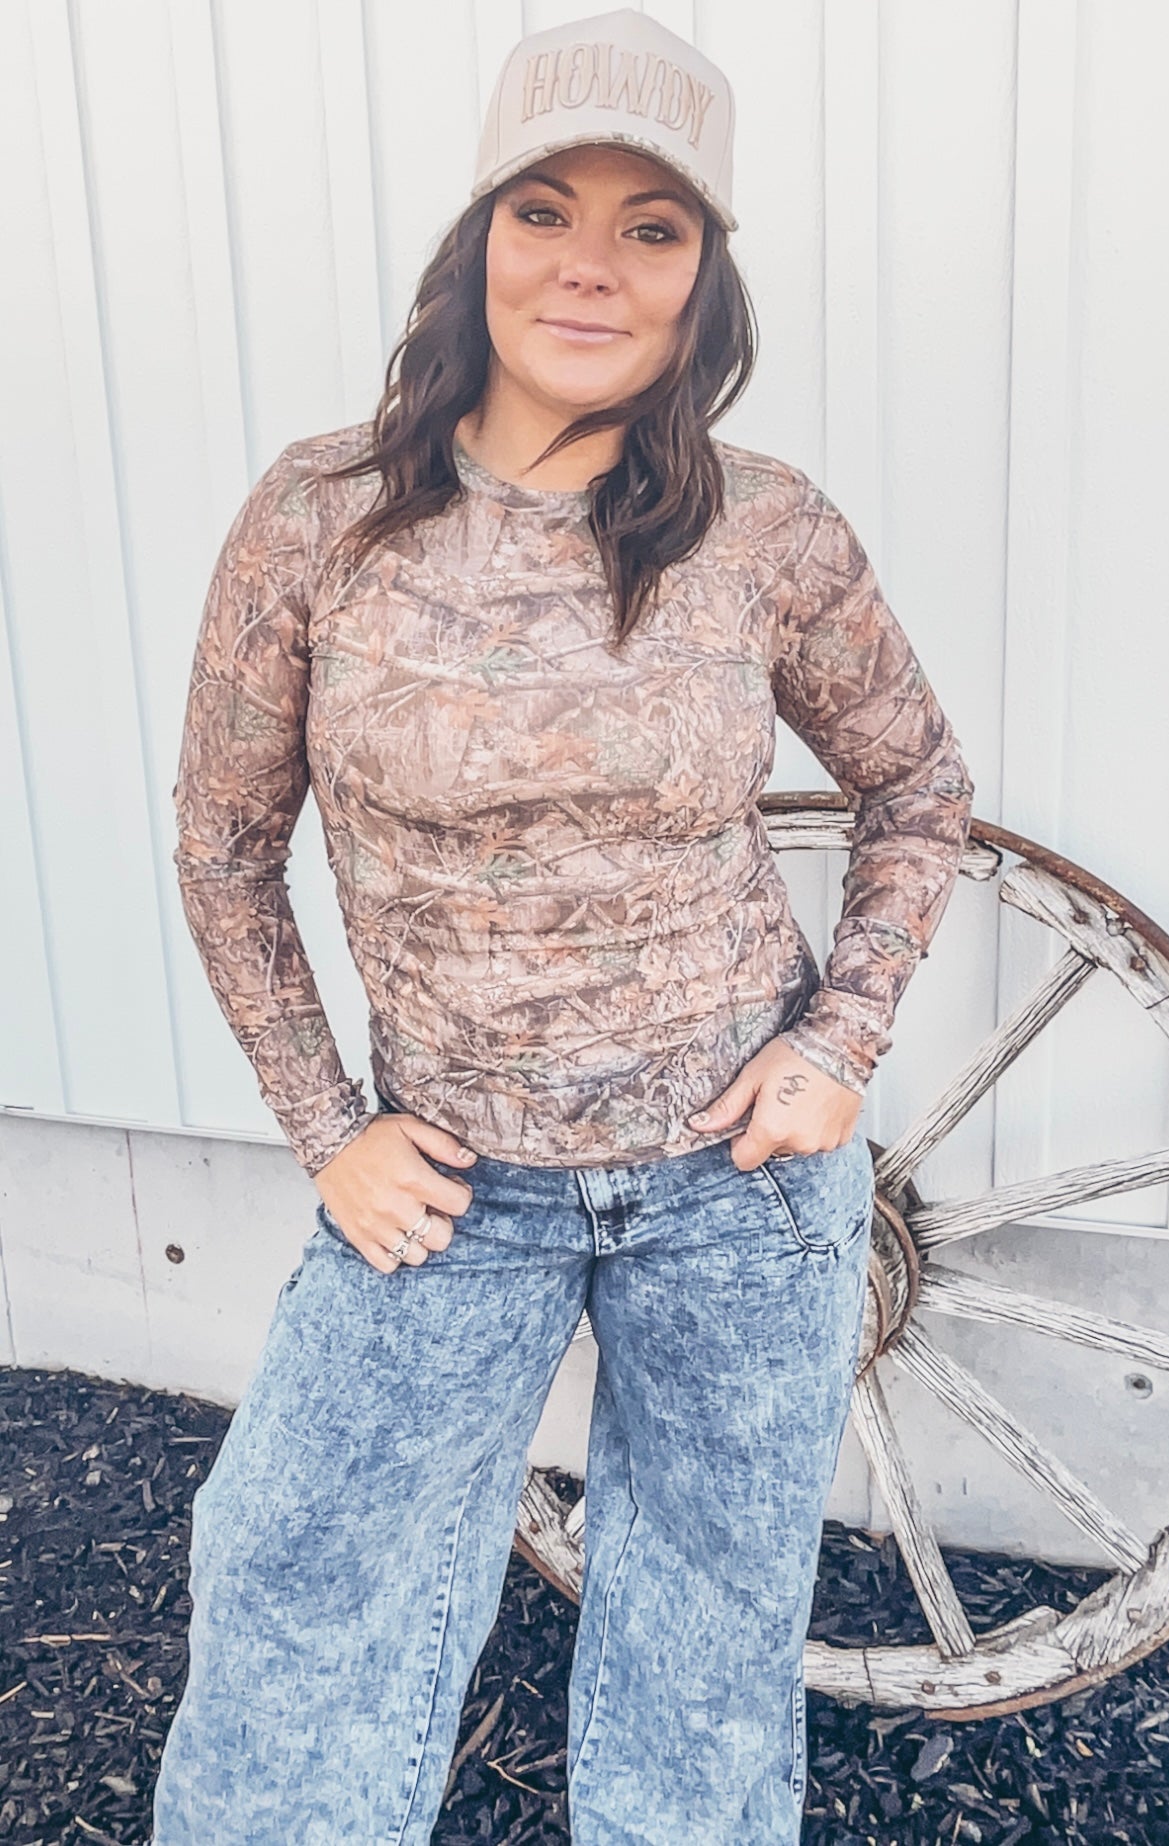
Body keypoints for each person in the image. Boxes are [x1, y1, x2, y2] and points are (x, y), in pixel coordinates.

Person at [149, 9, 974, 1842]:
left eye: (649, 226)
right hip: (449, 1183)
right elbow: (222, 846)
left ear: (701, 283)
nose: (589, 264)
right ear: (477, 243)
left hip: (737, 1188)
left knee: (705, 1635)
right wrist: (326, 1126)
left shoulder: (765, 530)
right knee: (299, 1584)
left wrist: (838, 1039)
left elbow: (918, 787)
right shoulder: (319, 517)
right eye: (545, 210)